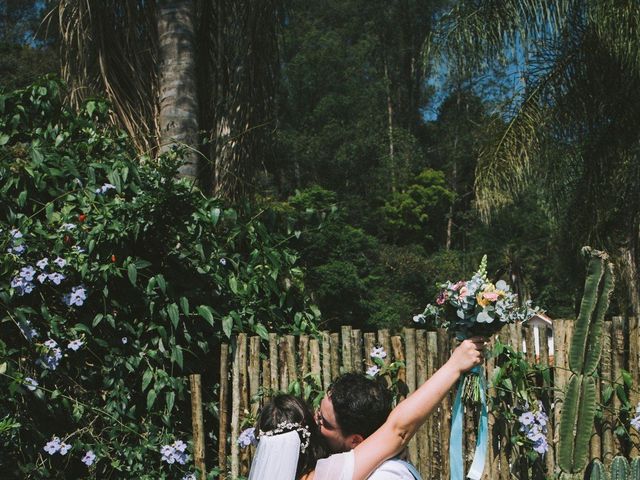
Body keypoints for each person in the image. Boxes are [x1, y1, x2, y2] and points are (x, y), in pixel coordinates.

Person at [248, 337, 485, 480]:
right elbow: (397, 430)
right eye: (317, 421)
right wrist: (454, 366)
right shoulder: (328, 474)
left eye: (321, 419)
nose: (318, 425)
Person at [316, 372, 420, 478]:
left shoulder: (387, 475)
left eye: (323, 422)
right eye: (318, 412)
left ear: (355, 440)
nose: (315, 420)